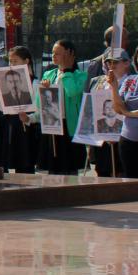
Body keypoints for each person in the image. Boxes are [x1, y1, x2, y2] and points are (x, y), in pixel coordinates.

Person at [37, 39, 87, 174]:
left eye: (58, 53)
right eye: (53, 53)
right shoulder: (49, 74)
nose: (54, 56)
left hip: (69, 125)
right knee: (53, 167)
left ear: (70, 55)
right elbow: (39, 103)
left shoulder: (81, 76)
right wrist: (44, 90)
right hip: (53, 124)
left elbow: (72, 92)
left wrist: (67, 71)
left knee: (70, 167)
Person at [87, 49, 131, 177]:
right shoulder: (98, 82)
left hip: (122, 136)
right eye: (109, 62)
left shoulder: (131, 82)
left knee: (120, 172)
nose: (112, 65)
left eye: (116, 62)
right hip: (102, 136)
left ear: (126, 63)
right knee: (103, 172)